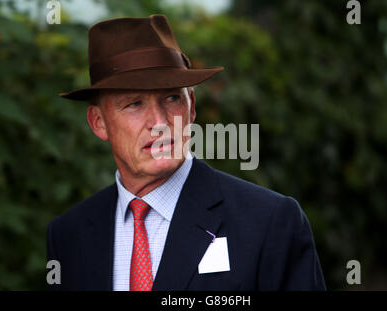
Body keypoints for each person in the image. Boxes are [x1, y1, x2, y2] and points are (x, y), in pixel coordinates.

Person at [46, 14, 326, 291]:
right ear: (98, 122)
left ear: (191, 106)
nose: (159, 122)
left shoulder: (268, 222)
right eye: (134, 103)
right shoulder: (69, 235)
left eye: (171, 98)